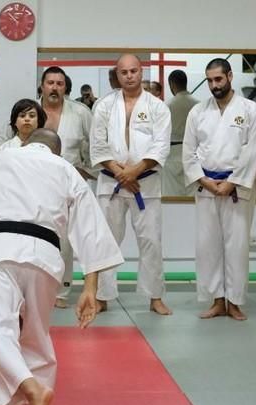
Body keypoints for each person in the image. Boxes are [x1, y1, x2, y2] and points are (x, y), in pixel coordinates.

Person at [0, 129, 124, 405]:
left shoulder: (1, 159)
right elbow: (89, 229)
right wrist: (89, 289)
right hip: (45, 257)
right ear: (56, 152)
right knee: (36, 336)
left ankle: (32, 389)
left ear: (26, 144)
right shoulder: (66, 169)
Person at [182, 58, 256, 321]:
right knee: (208, 245)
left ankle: (236, 301)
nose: (214, 85)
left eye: (218, 79)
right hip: (206, 186)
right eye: (209, 80)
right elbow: (188, 151)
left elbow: (255, 150)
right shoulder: (198, 112)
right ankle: (217, 300)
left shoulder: (251, 111)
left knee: (237, 245)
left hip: (237, 189)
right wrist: (202, 179)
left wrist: (233, 181)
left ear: (230, 76)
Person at [90, 54, 172, 315]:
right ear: (117, 74)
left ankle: (154, 296)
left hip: (144, 183)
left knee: (151, 241)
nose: (129, 76)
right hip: (110, 182)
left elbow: (161, 146)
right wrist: (121, 174)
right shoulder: (103, 105)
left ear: (141, 72)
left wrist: (134, 172)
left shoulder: (158, 107)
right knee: (106, 240)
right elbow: (98, 145)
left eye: (133, 71)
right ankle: (102, 295)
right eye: (123, 72)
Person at [39, 66, 95, 309]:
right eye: (50, 82)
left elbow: (95, 147)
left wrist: (85, 171)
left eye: (59, 84)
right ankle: (34, 289)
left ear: (66, 87)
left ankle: (61, 291)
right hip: (35, 181)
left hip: (69, 181)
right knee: (35, 234)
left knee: (65, 240)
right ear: (42, 85)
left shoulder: (80, 113)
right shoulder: (30, 110)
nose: (54, 87)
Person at [163, 70, 198, 196]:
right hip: (194, 152)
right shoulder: (198, 105)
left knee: (171, 194)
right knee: (192, 194)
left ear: (172, 84)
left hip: (172, 154)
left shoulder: (168, 105)